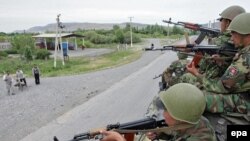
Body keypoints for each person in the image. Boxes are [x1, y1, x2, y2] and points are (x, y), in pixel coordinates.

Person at [100, 83, 216, 141]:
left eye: (166, 110)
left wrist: (119, 139)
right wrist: (160, 133)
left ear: (179, 116)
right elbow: (177, 132)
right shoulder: (192, 119)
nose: (163, 113)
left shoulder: (201, 138)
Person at [186, 13, 250, 115]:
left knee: (196, 98)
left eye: (234, 34)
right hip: (242, 91)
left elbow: (222, 87)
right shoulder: (245, 51)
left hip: (245, 100)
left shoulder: (246, 58)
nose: (232, 38)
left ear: (247, 34)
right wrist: (222, 62)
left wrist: (197, 74)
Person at [180, 5, 246, 86]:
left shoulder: (226, 40)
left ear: (228, 23)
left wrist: (197, 74)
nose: (220, 23)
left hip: (214, 78)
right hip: (216, 75)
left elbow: (223, 85)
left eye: (221, 20)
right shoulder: (239, 42)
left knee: (185, 76)